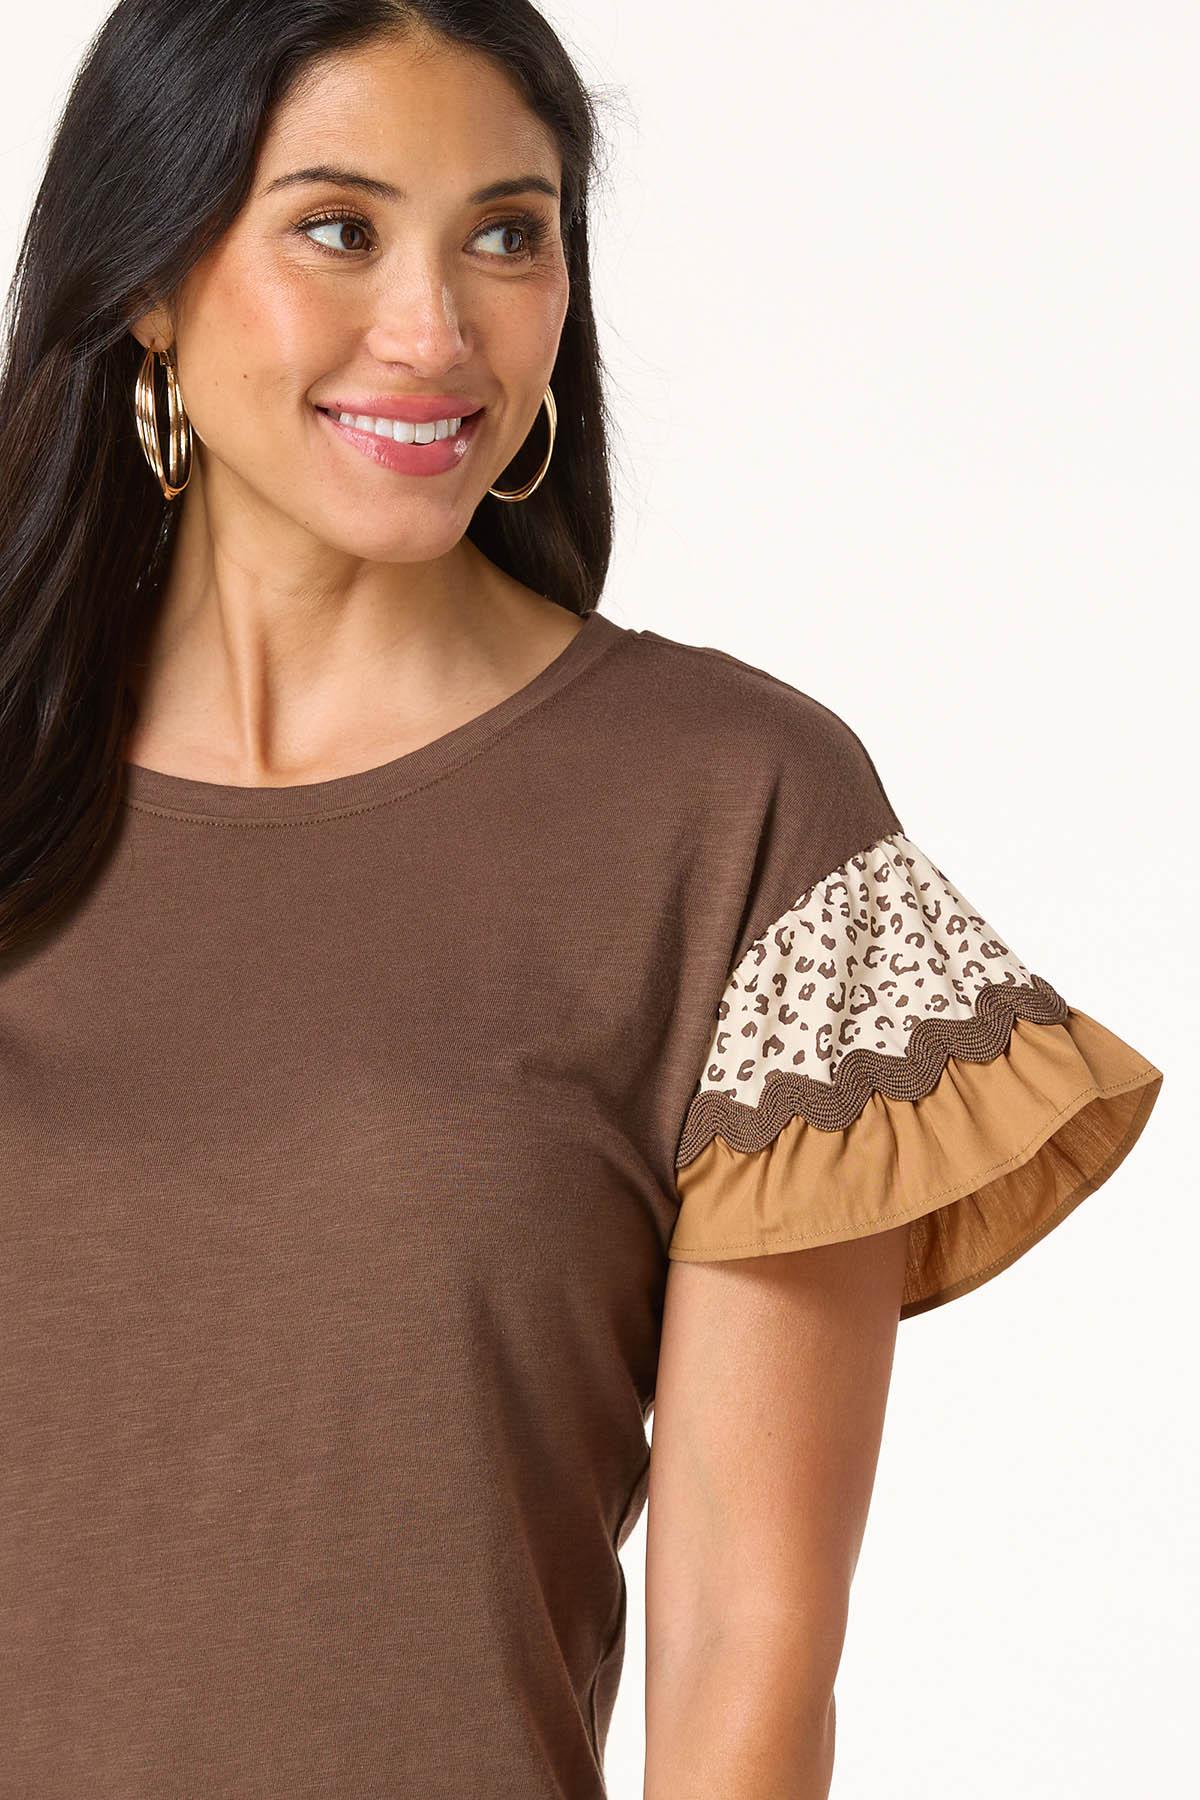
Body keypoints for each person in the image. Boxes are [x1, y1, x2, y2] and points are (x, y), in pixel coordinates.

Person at [0, 2, 1163, 1796]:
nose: (434, 330)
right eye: (339, 227)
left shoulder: (736, 814)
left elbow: (742, 1660)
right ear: (147, 277)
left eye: (507, 235)